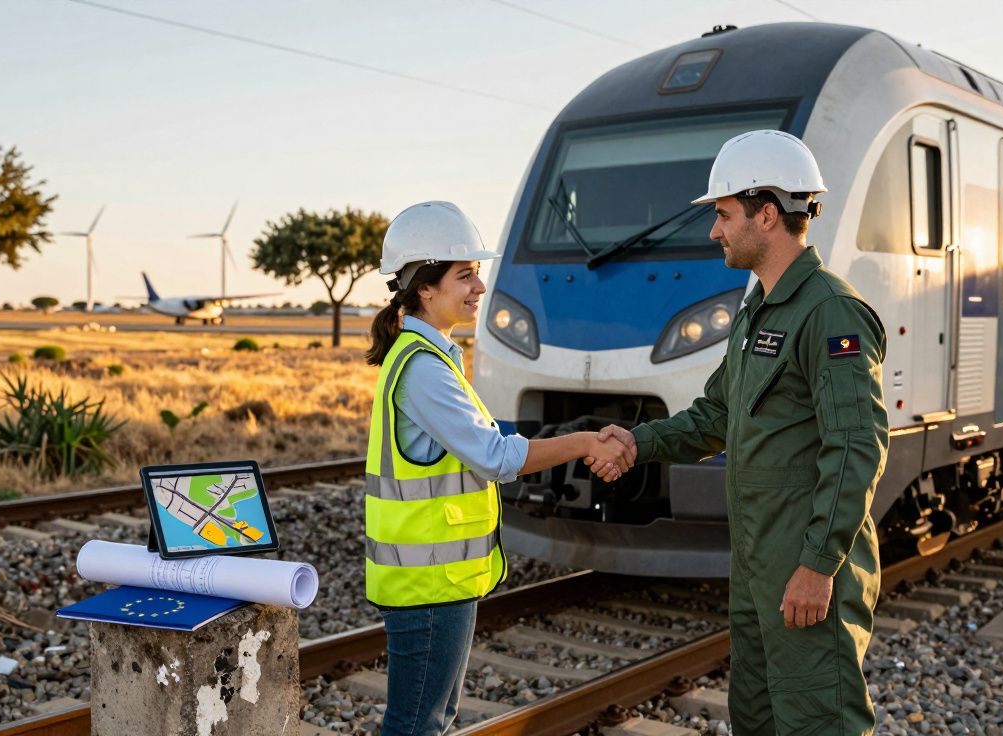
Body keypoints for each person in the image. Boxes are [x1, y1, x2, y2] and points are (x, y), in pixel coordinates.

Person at [595, 131, 888, 735]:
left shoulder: (830, 311)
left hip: (806, 563)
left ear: (768, 214)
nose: (714, 231)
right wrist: (637, 443)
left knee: (818, 721)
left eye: (724, 215)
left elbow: (856, 446)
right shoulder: (758, 310)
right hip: (757, 565)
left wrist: (818, 565)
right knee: (756, 718)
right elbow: (716, 416)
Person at [365, 200, 633, 736]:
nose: (480, 287)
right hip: (430, 584)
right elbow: (496, 457)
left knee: (427, 719)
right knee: (418, 725)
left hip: (434, 580)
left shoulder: (424, 358)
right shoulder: (423, 369)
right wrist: (584, 442)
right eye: (465, 275)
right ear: (425, 287)